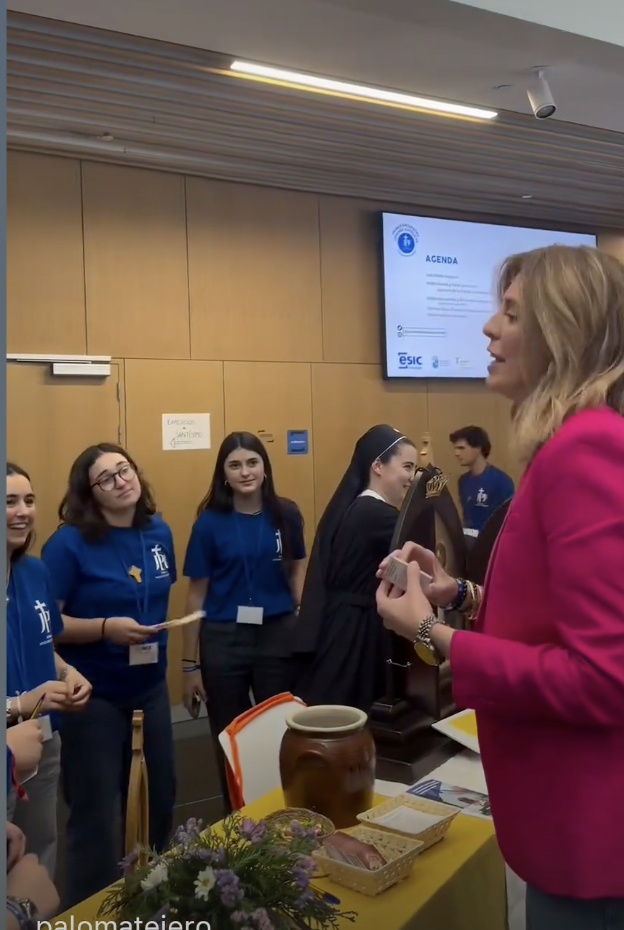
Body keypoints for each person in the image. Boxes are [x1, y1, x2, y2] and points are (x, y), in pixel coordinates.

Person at [376, 245, 624, 930]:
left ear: (561, 333)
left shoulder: (586, 448)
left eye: (510, 314)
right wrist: (460, 595)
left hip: (594, 843)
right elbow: (562, 618)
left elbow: (605, 676)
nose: (488, 329)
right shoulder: (570, 445)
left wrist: (431, 632)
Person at [41, 443, 177, 907]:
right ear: (90, 493)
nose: (122, 481)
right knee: (97, 816)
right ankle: (90, 909)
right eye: (107, 478)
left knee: (161, 799)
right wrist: (104, 628)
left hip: (151, 687)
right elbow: (50, 626)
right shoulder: (67, 544)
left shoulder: (159, 530)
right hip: (93, 694)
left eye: (125, 469)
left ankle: (155, 899)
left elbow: (158, 598)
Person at [181, 432, 306, 808]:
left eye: (252, 462)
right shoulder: (208, 524)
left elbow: (298, 565)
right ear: (224, 474)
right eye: (235, 464)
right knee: (230, 735)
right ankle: (237, 816)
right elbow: (196, 594)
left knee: (279, 730)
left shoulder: (287, 513)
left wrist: (301, 613)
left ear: (265, 468)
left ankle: (282, 811)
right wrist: (189, 665)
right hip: (224, 638)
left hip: (277, 634)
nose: (245, 471)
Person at [293, 425, 418, 711]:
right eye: (407, 467)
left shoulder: (358, 508)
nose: (411, 477)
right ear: (377, 466)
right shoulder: (375, 514)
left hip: (341, 624)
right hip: (355, 633)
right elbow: (429, 542)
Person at [6, 463, 92, 878]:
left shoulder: (35, 571)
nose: (22, 511)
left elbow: (46, 645)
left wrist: (66, 672)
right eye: (9, 502)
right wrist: (19, 704)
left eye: (29, 500)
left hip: (44, 737)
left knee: (39, 855)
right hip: (7, 739)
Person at [449, 425, 514, 538]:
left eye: (461, 448)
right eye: (455, 448)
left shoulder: (501, 481)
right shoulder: (463, 481)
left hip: (492, 544)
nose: (457, 453)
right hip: (469, 543)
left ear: (478, 448)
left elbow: (510, 521)